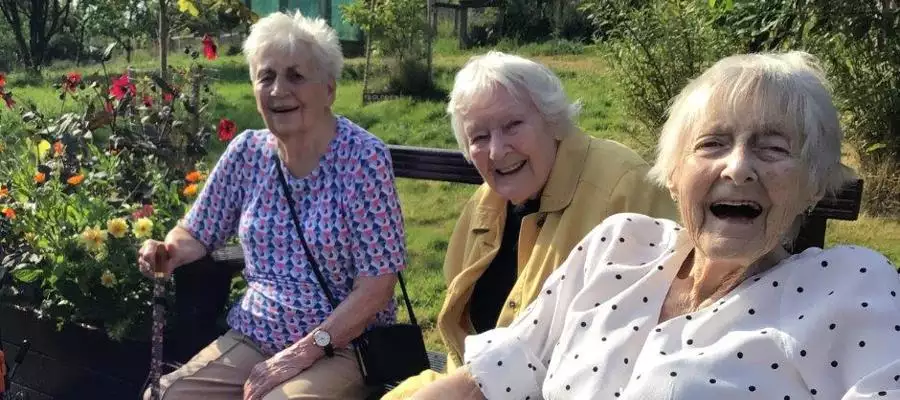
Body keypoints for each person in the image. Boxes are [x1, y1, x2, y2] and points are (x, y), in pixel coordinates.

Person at [410, 51, 900, 399]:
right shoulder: (619, 245)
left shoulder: (848, 286)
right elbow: (494, 373)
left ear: (814, 185)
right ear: (673, 175)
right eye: (712, 144)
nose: (737, 168)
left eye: (772, 148)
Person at [137, 11, 407, 400]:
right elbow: (197, 230)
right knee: (166, 396)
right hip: (257, 333)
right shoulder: (248, 152)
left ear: (329, 89)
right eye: (266, 76)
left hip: (343, 343)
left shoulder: (363, 160)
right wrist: (168, 251)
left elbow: (378, 286)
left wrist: (299, 355)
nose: (279, 90)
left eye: (296, 76)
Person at [383, 52, 677, 399]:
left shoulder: (625, 187)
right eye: (478, 137)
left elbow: (659, 335)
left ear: (552, 121)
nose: (496, 151)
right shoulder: (486, 202)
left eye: (512, 126)